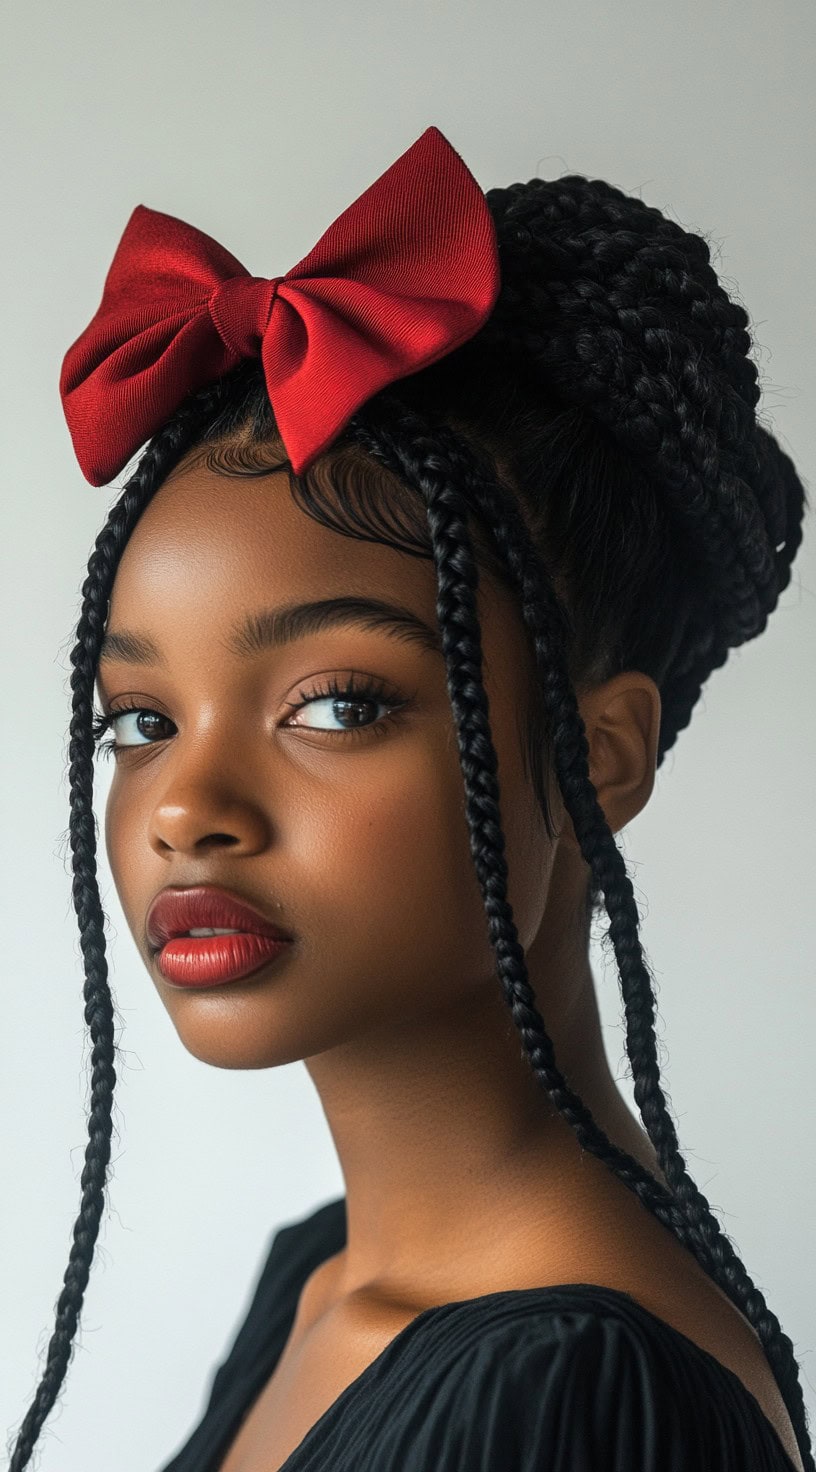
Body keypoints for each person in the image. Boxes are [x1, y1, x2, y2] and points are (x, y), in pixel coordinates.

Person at [7, 125, 812, 1472]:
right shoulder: (320, 1282)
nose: (184, 806)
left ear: (599, 756)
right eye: (139, 721)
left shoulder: (572, 1396)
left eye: (337, 705)